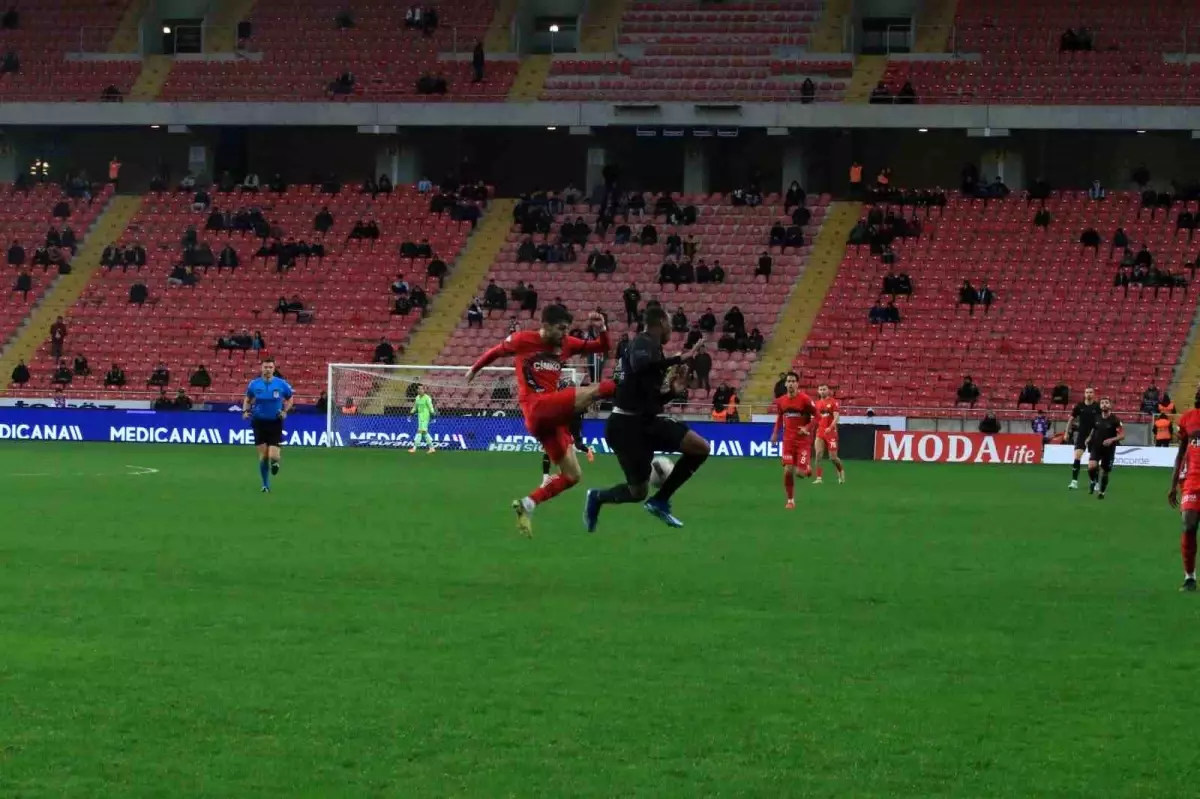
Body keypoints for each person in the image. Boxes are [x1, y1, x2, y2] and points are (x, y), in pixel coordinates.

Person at [466, 306, 615, 537]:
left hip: (552, 420)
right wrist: (474, 369)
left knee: (573, 476)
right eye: (561, 329)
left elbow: (603, 347)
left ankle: (528, 503)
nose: (565, 334)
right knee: (596, 390)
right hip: (536, 409)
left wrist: (602, 328)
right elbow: (496, 351)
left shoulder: (566, 344)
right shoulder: (522, 340)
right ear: (545, 325)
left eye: (567, 329)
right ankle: (635, 384)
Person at [583, 306, 710, 532]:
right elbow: (641, 366)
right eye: (669, 323)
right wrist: (681, 357)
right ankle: (597, 496)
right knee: (636, 492)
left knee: (700, 448)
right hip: (626, 428)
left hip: (643, 422)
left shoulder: (653, 351)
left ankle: (660, 500)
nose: (671, 329)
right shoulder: (643, 342)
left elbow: (648, 400)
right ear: (660, 322)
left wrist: (673, 391)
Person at [242, 358, 295, 493]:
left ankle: (276, 462)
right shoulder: (254, 384)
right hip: (258, 423)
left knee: (273, 456)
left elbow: (290, 399)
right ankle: (265, 485)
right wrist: (245, 411)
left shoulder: (281, 384)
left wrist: (284, 411)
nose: (267, 369)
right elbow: (247, 400)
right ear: (261, 368)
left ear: (274, 369)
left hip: (275, 422)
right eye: (265, 367)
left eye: (270, 367)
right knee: (263, 456)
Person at [769, 372, 816, 509]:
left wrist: (807, 427)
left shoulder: (805, 400)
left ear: (797, 384)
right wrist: (775, 433)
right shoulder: (781, 401)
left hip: (802, 441)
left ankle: (806, 467)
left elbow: (818, 416)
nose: (790, 384)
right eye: (788, 381)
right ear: (785, 384)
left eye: (793, 381)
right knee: (788, 470)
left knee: (799, 473)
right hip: (788, 441)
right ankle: (790, 500)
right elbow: (779, 417)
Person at [1169, 388, 1200, 590]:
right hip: (1192, 481)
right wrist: (1173, 485)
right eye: (1196, 392)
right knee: (1188, 525)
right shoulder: (1188, 418)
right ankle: (1189, 576)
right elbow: (1180, 454)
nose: (1197, 395)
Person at [1085, 397, 1123, 499]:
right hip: (1096, 447)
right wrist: (1089, 438)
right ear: (1100, 405)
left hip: (1109, 449)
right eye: (1102, 403)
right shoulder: (1096, 417)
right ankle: (1093, 481)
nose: (1104, 404)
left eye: (1106, 403)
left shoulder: (1115, 420)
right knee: (1091, 467)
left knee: (1105, 472)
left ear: (1110, 405)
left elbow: (1122, 435)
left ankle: (1102, 492)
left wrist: (1112, 439)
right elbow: (1093, 429)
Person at [1066, 387, 1100, 490]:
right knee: (1077, 456)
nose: (1088, 394)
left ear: (1093, 394)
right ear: (1084, 394)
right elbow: (1071, 419)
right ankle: (1074, 482)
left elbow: (1099, 422)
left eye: (1090, 392)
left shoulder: (1097, 407)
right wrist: (1067, 432)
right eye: (1087, 392)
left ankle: (1095, 482)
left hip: (1094, 435)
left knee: (1094, 461)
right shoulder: (1079, 406)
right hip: (1081, 435)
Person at [812, 383, 845, 484]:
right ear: (818, 391)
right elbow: (815, 418)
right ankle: (818, 478)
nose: (822, 391)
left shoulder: (833, 402)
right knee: (818, 454)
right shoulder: (816, 403)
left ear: (828, 390)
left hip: (831, 432)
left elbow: (837, 417)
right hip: (820, 432)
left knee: (833, 457)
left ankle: (841, 472)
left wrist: (830, 428)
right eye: (820, 389)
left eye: (824, 389)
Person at [409, 383, 437, 454]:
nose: (420, 390)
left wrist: (433, 415)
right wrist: (411, 414)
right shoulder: (417, 397)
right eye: (418, 389)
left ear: (424, 390)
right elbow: (415, 407)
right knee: (424, 432)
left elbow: (431, 407)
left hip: (425, 417)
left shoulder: (427, 398)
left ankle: (414, 448)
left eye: (421, 389)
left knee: (419, 431)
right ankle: (432, 448)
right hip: (420, 417)